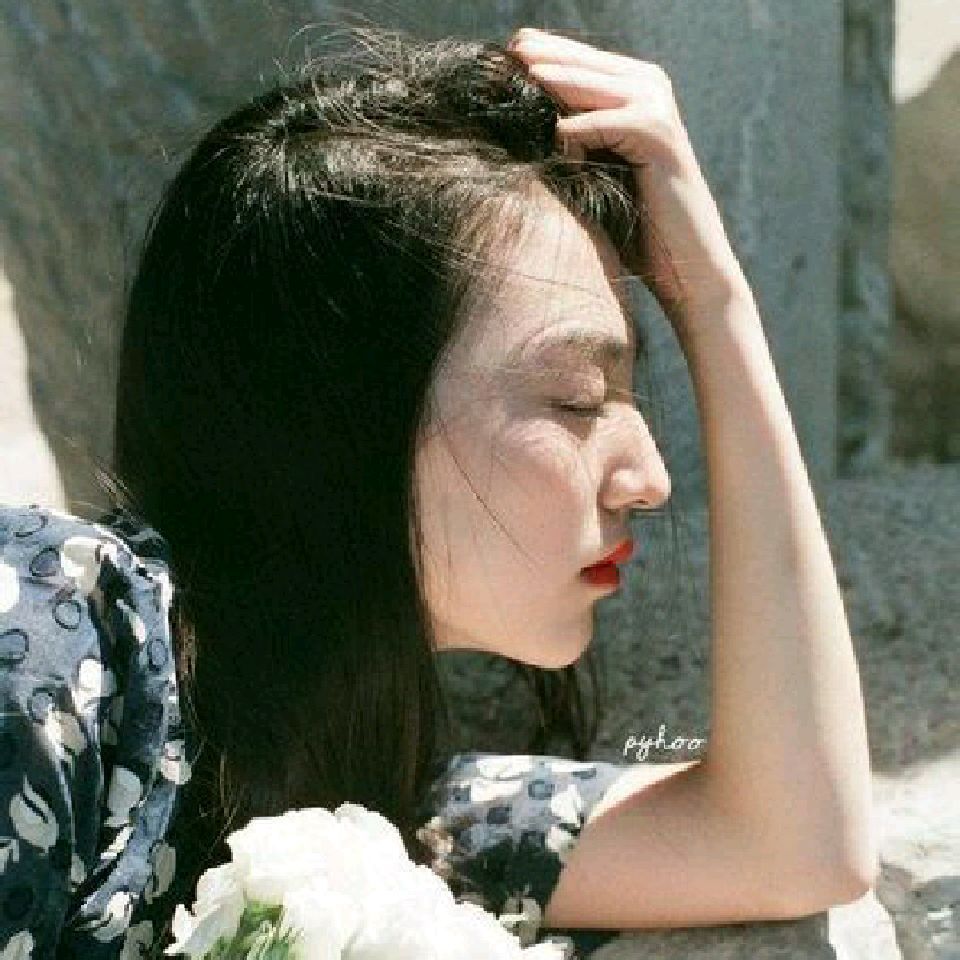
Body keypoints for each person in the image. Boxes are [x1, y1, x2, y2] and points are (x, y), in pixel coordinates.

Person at [0, 22, 878, 959]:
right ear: (338, 412)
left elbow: (792, 843)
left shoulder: (364, 810)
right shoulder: (44, 639)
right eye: (577, 398)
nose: (650, 481)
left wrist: (713, 297)